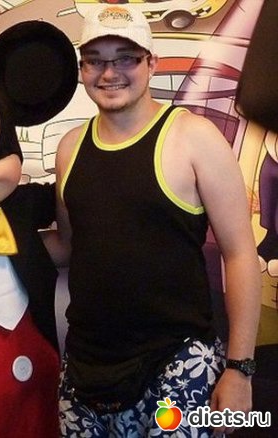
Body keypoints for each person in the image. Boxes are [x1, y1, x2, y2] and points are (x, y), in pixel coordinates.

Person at [55, 5, 261, 437]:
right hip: (86, 367)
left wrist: (239, 369)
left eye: (125, 58)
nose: (109, 73)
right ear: (82, 69)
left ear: (151, 63)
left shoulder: (194, 137)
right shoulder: (70, 148)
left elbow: (240, 254)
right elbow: (74, 245)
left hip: (179, 363)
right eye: (95, 60)